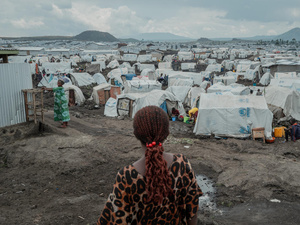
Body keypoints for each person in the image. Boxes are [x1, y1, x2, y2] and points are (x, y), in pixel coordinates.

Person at [97, 106, 202, 225]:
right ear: (166, 133)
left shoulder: (127, 177)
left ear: (136, 134)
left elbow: (117, 219)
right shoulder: (182, 164)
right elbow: (192, 211)